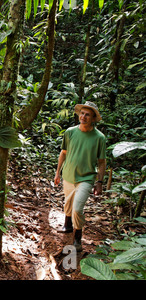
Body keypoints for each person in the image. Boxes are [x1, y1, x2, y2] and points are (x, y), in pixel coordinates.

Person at [54, 101, 107, 252]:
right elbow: (63, 153)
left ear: (93, 118)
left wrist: (100, 182)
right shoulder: (70, 132)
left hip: (86, 178)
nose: (83, 116)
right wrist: (57, 172)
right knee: (68, 203)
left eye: (87, 114)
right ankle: (67, 224)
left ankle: (77, 238)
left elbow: (102, 162)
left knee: (78, 208)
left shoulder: (99, 138)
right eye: (82, 113)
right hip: (68, 175)